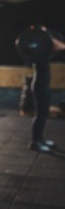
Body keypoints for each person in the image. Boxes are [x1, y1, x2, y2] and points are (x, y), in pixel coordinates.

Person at [27, 24, 65, 153]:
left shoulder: (43, 50)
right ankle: (35, 142)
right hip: (40, 86)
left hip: (42, 85)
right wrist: (44, 34)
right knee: (40, 115)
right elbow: (61, 46)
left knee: (43, 114)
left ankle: (40, 139)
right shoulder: (39, 52)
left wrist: (43, 34)